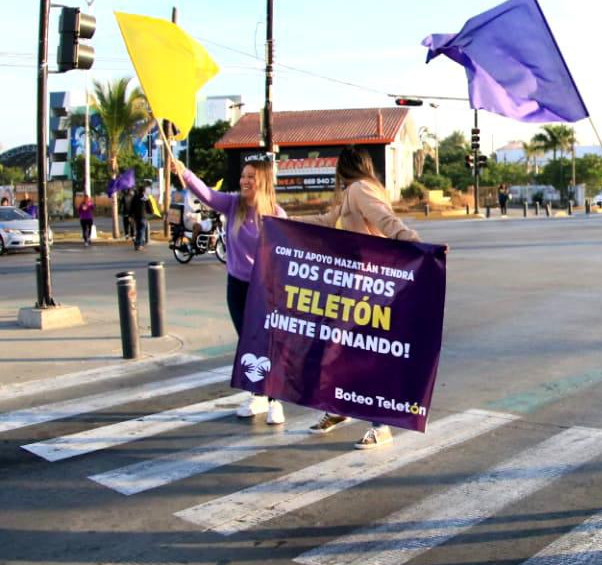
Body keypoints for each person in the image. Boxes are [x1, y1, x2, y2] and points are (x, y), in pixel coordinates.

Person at [297, 146, 423, 449]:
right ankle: (339, 408)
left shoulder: (360, 189)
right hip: (351, 288)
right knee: (337, 350)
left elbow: (385, 221)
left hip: (370, 289)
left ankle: (382, 426)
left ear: (345, 168)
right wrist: (282, 222)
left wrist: (415, 243)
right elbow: (328, 221)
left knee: (365, 357)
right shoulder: (353, 193)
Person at [171, 153, 287, 424]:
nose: (244, 181)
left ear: (263, 181)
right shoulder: (234, 204)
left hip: (264, 290)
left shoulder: (276, 215)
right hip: (236, 286)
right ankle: (256, 395)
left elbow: (284, 256)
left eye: (250, 177)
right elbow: (207, 194)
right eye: (243, 176)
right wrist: (185, 172)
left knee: (266, 343)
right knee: (247, 342)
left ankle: (275, 400)